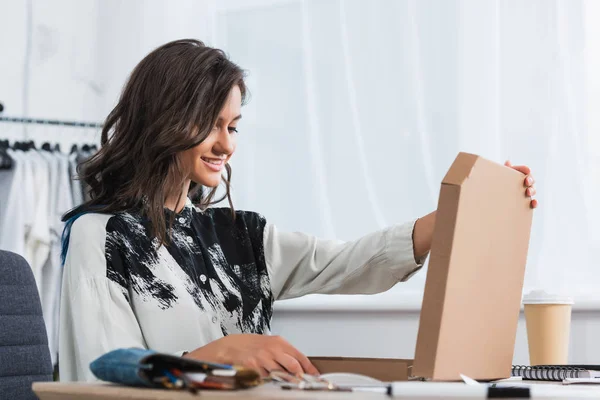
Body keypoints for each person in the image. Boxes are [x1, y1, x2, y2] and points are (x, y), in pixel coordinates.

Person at [59, 39, 538, 382]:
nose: (226, 144)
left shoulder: (238, 236)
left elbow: (349, 263)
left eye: (234, 126)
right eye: (212, 124)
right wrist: (220, 353)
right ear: (164, 119)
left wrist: (462, 209)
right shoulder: (99, 236)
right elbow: (102, 376)